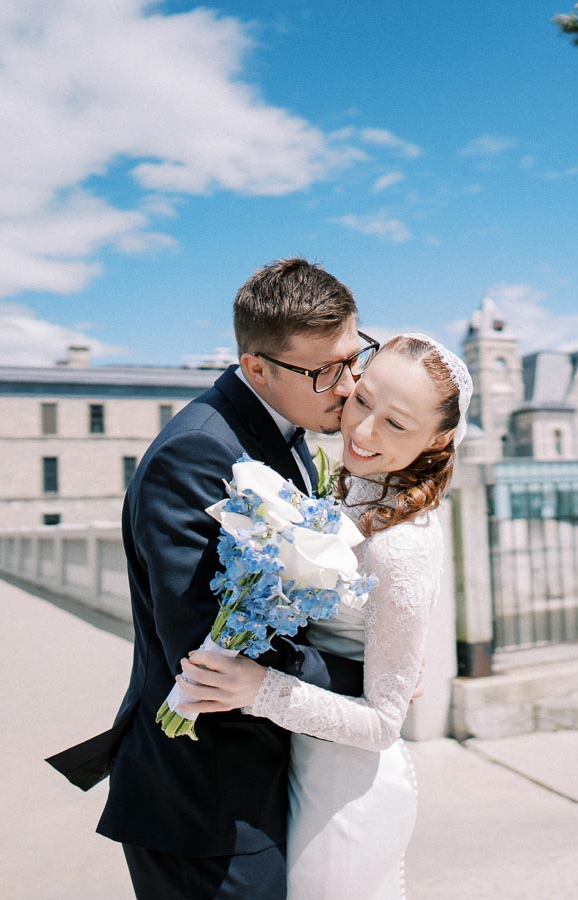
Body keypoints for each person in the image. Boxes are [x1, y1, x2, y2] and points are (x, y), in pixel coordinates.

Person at [48, 258, 380, 899]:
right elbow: (206, 651)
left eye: (353, 356)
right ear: (256, 367)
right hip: (204, 803)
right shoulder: (197, 453)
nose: (348, 385)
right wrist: (364, 678)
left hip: (254, 781)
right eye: (324, 371)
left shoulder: (284, 429)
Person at [176, 333, 471, 900]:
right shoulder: (351, 488)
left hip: (345, 798)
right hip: (301, 768)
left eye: (397, 425)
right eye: (364, 402)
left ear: (440, 438)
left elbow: (383, 723)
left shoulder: (402, 545)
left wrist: (258, 688)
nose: (363, 432)